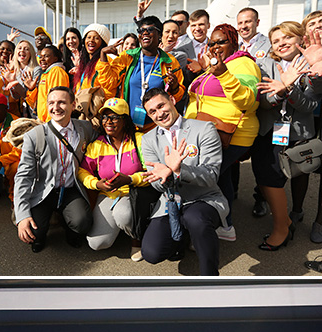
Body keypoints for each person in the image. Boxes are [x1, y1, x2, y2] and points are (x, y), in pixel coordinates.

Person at [140, 86, 229, 276]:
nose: (159, 114)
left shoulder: (203, 129)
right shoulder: (148, 139)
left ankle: (210, 275)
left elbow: (212, 175)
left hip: (204, 197)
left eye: (161, 105)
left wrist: (179, 169)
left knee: (195, 219)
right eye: (152, 112)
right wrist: (166, 175)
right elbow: (154, 181)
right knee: (152, 253)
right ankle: (181, 238)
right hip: (170, 201)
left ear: (172, 100)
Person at [185, 24, 261, 240]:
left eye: (221, 41)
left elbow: (249, 101)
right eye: (212, 43)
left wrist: (224, 75)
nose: (215, 46)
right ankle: (226, 225)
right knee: (222, 177)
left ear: (233, 41)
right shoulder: (219, 65)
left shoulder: (243, 64)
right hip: (210, 133)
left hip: (230, 135)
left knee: (205, 180)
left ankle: (207, 227)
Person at [255, 20, 319, 247]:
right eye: (276, 41)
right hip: (269, 131)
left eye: (287, 37)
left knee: (295, 176)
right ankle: (284, 221)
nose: (282, 43)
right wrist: (279, 91)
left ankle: (283, 227)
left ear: (300, 38)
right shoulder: (263, 65)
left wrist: (289, 89)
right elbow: (263, 102)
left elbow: (310, 105)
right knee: (265, 177)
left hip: (299, 134)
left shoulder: (313, 65)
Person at [14, 85, 94, 253]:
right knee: (33, 233)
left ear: (73, 105)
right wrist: (22, 216)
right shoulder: (34, 136)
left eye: (62, 103)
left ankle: (69, 227)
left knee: (82, 223)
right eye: (51, 103)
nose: (55, 107)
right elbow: (23, 177)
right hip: (44, 190)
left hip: (71, 189)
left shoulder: (85, 129)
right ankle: (42, 228)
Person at [78, 97, 147, 257]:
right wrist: (96, 184)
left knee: (123, 214)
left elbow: (151, 172)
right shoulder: (97, 144)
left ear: (125, 120)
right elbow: (82, 171)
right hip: (108, 194)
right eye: (105, 117)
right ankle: (123, 225)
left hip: (134, 192)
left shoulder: (139, 140)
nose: (108, 121)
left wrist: (130, 179)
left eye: (115, 117)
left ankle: (137, 237)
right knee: (97, 244)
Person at [100, 16, 184, 129]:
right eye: (141, 30)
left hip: (157, 126)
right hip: (128, 126)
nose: (144, 33)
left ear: (159, 35)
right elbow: (109, 83)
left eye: (150, 30)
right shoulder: (128, 57)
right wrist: (103, 57)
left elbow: (178, 96)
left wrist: (175, 87)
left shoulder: (170, 62)